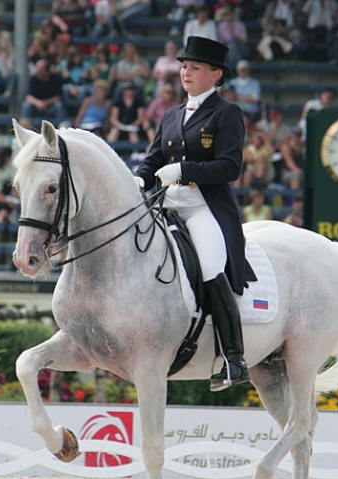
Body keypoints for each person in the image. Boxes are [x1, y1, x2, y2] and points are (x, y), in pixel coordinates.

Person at [134, 36, 255, 391]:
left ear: (215, 74)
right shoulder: (171, 114)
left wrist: (186, 170)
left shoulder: (227, 113)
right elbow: (154, 158)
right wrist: (138, 178)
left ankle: (234, 359)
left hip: (204, 206)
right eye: (184, 66)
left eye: (195, 67)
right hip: (169, 202)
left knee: (210, 266)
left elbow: (230, 167)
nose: (186, 72)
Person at [20, 58, 66, 126]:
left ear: (46, 71)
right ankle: (24, 127)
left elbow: (58, 97)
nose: (37, 72)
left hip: (50, 107)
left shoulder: (56, 79)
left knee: (59, 106)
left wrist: (46, 103)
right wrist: (38, 103)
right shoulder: (33, 79)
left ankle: (61, 127)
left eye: (40, 70)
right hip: (36, 107)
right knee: (26, 105)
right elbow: (28, 97)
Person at [227, 59, 261, 123]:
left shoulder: (255, 83)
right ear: (238, 70)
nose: (243, 72)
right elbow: (229, 98)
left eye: (245, 69)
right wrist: (247, 98)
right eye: (241, 70)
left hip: (250, 111)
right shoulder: (232, 82)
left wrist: (237, 98)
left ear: (248, 70)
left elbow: (255, 99)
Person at [216, 4, 248, 71]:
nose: (226, 17)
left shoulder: (240, 25)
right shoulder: (221, 26)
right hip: (227, 50)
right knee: (231, 47)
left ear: (232, 14)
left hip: (240, 48)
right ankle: (237, 68)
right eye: (224, 15)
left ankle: (232, 69)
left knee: (234, 46)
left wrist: (234, 34)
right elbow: (220, 42)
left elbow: (244, 42)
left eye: (227, 14)